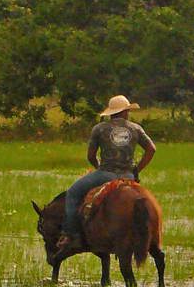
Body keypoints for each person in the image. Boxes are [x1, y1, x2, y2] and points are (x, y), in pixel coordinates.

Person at [60, 95, 156, 248]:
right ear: (125, 112)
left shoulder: (99, 129)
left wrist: (98, 166)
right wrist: (137, 170)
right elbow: (151, 149)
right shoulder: (136, 128)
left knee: (72, 193)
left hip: (105, 173)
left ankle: (71, 234)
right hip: (127, 175)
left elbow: (90, 155)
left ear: (111, 112)